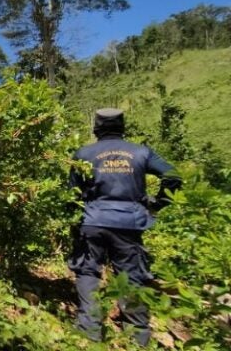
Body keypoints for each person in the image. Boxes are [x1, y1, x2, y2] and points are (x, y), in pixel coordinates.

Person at [68, 108, 182, 346]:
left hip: (93, 220)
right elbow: (173, 175)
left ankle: (90, 330)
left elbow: (73, 194)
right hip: (130, 223)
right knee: (131, 275)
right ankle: (137, 336)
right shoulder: (140, 151)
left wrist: (75, 221)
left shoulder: (84, 153)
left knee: (88, 271)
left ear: (96, 128)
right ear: (122, 127)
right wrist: (157, 203)